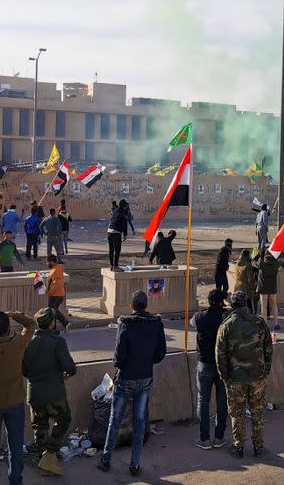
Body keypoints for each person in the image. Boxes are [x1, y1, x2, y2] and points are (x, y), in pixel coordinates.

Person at [98, 291, 167, 476]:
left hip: (126, 378)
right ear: (146, 305)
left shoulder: (125, 323)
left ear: (131, 306)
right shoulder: (156, 324)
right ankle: (134, 464)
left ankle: (106, 459)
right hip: (145, 377)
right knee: (139, 422)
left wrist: (120, 365)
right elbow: (161, 352)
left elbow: (119, 355)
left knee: (115, 420)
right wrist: (146, 362)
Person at [215, 291, 272, 459]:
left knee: (237, 413)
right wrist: (265, 370)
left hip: (235, 378)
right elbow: (268, 348)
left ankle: (238, 447)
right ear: (246, 303)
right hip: (257, 377)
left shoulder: (226, 325)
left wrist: (224, 376)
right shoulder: (259, 322)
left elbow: (220, 354)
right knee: (258, 412)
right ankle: (259, 447)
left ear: (232, 305)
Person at [23, 308, 77, 476]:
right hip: (55, 393)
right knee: (63, 419)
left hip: (34, 394)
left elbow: (24, 370)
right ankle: (50, 454)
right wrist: (63, 373)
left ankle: (43, 461)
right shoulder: (57, 342)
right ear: (52, 323)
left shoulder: (28, 341)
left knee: (40, 426)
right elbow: (70, 368)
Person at [0, 312, 37, 485]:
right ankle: (15, 480)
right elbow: (31, 324)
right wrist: (13, 314)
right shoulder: (18, 343)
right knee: (15, 447)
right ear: (8, 328)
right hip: (15, 402)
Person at [190, 290, 229, 450]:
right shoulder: (227, 317)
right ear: (222, 302)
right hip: (222, 364)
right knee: (222, 401)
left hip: (205, 364)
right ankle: (219, 437)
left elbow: (193, 322)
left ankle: (204, 438)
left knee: (203, 401)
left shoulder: (200, 317)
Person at [254, 250, 284, 330]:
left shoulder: (261, 264)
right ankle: (276, 324)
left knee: (264, 307)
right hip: (272, 287)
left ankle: (265, 325)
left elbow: (253, 261)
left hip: (263, 288)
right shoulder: (276, 264)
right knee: (274, 306)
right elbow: (281, 260)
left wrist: (259, 255)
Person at [45, 254, 69, 329]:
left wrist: (49, 292)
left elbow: (57, 284)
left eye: (48, 262)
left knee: (53, 311)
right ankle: (55, 327)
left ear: (52, 262)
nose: (47, 264)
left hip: (56, 295)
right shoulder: (56, 269)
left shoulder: (56, 270)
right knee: (53, 312)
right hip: (55, 294)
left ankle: (65, 323)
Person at [233, 249, 258, 314]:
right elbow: (250, 279)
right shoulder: (248, 265)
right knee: (249, 304)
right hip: (245, 287)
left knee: (239, 304)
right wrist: (253, 289)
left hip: (237, 286)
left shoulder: (238, 262)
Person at [107, 200, 130, 271]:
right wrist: (125, 235)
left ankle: (111, 265)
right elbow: (124, 224)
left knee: (111, 250)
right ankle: (115, 266)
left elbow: (112, 219)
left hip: (109, 232)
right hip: (116, 233)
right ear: (124, 206)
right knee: (117, 250)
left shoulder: (115, 210)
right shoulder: (122, 213)